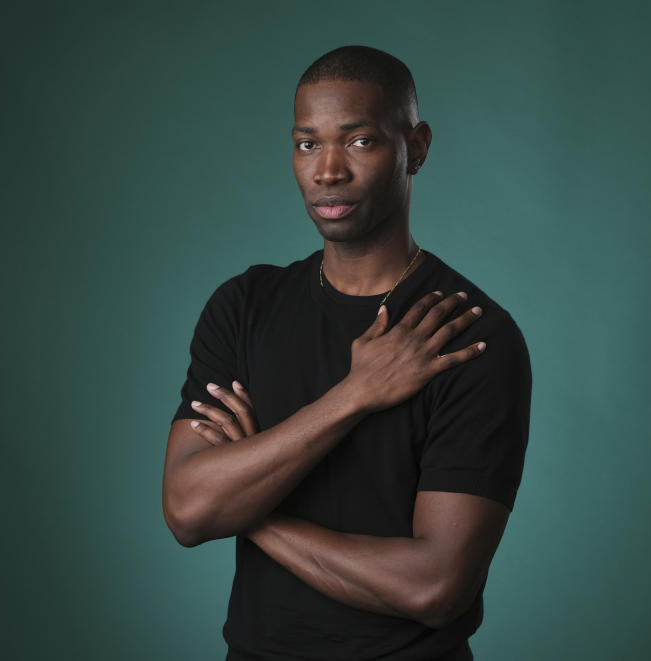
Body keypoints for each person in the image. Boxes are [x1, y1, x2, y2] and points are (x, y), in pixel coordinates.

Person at [162, 45, 532, 661]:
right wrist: (354, 395)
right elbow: (186, 509)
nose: (327, 170)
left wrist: (248, 509)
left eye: (359, 141)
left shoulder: (467, 335)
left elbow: (436, 586)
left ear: (415, 147)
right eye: (308, 144)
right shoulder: (245, 306)